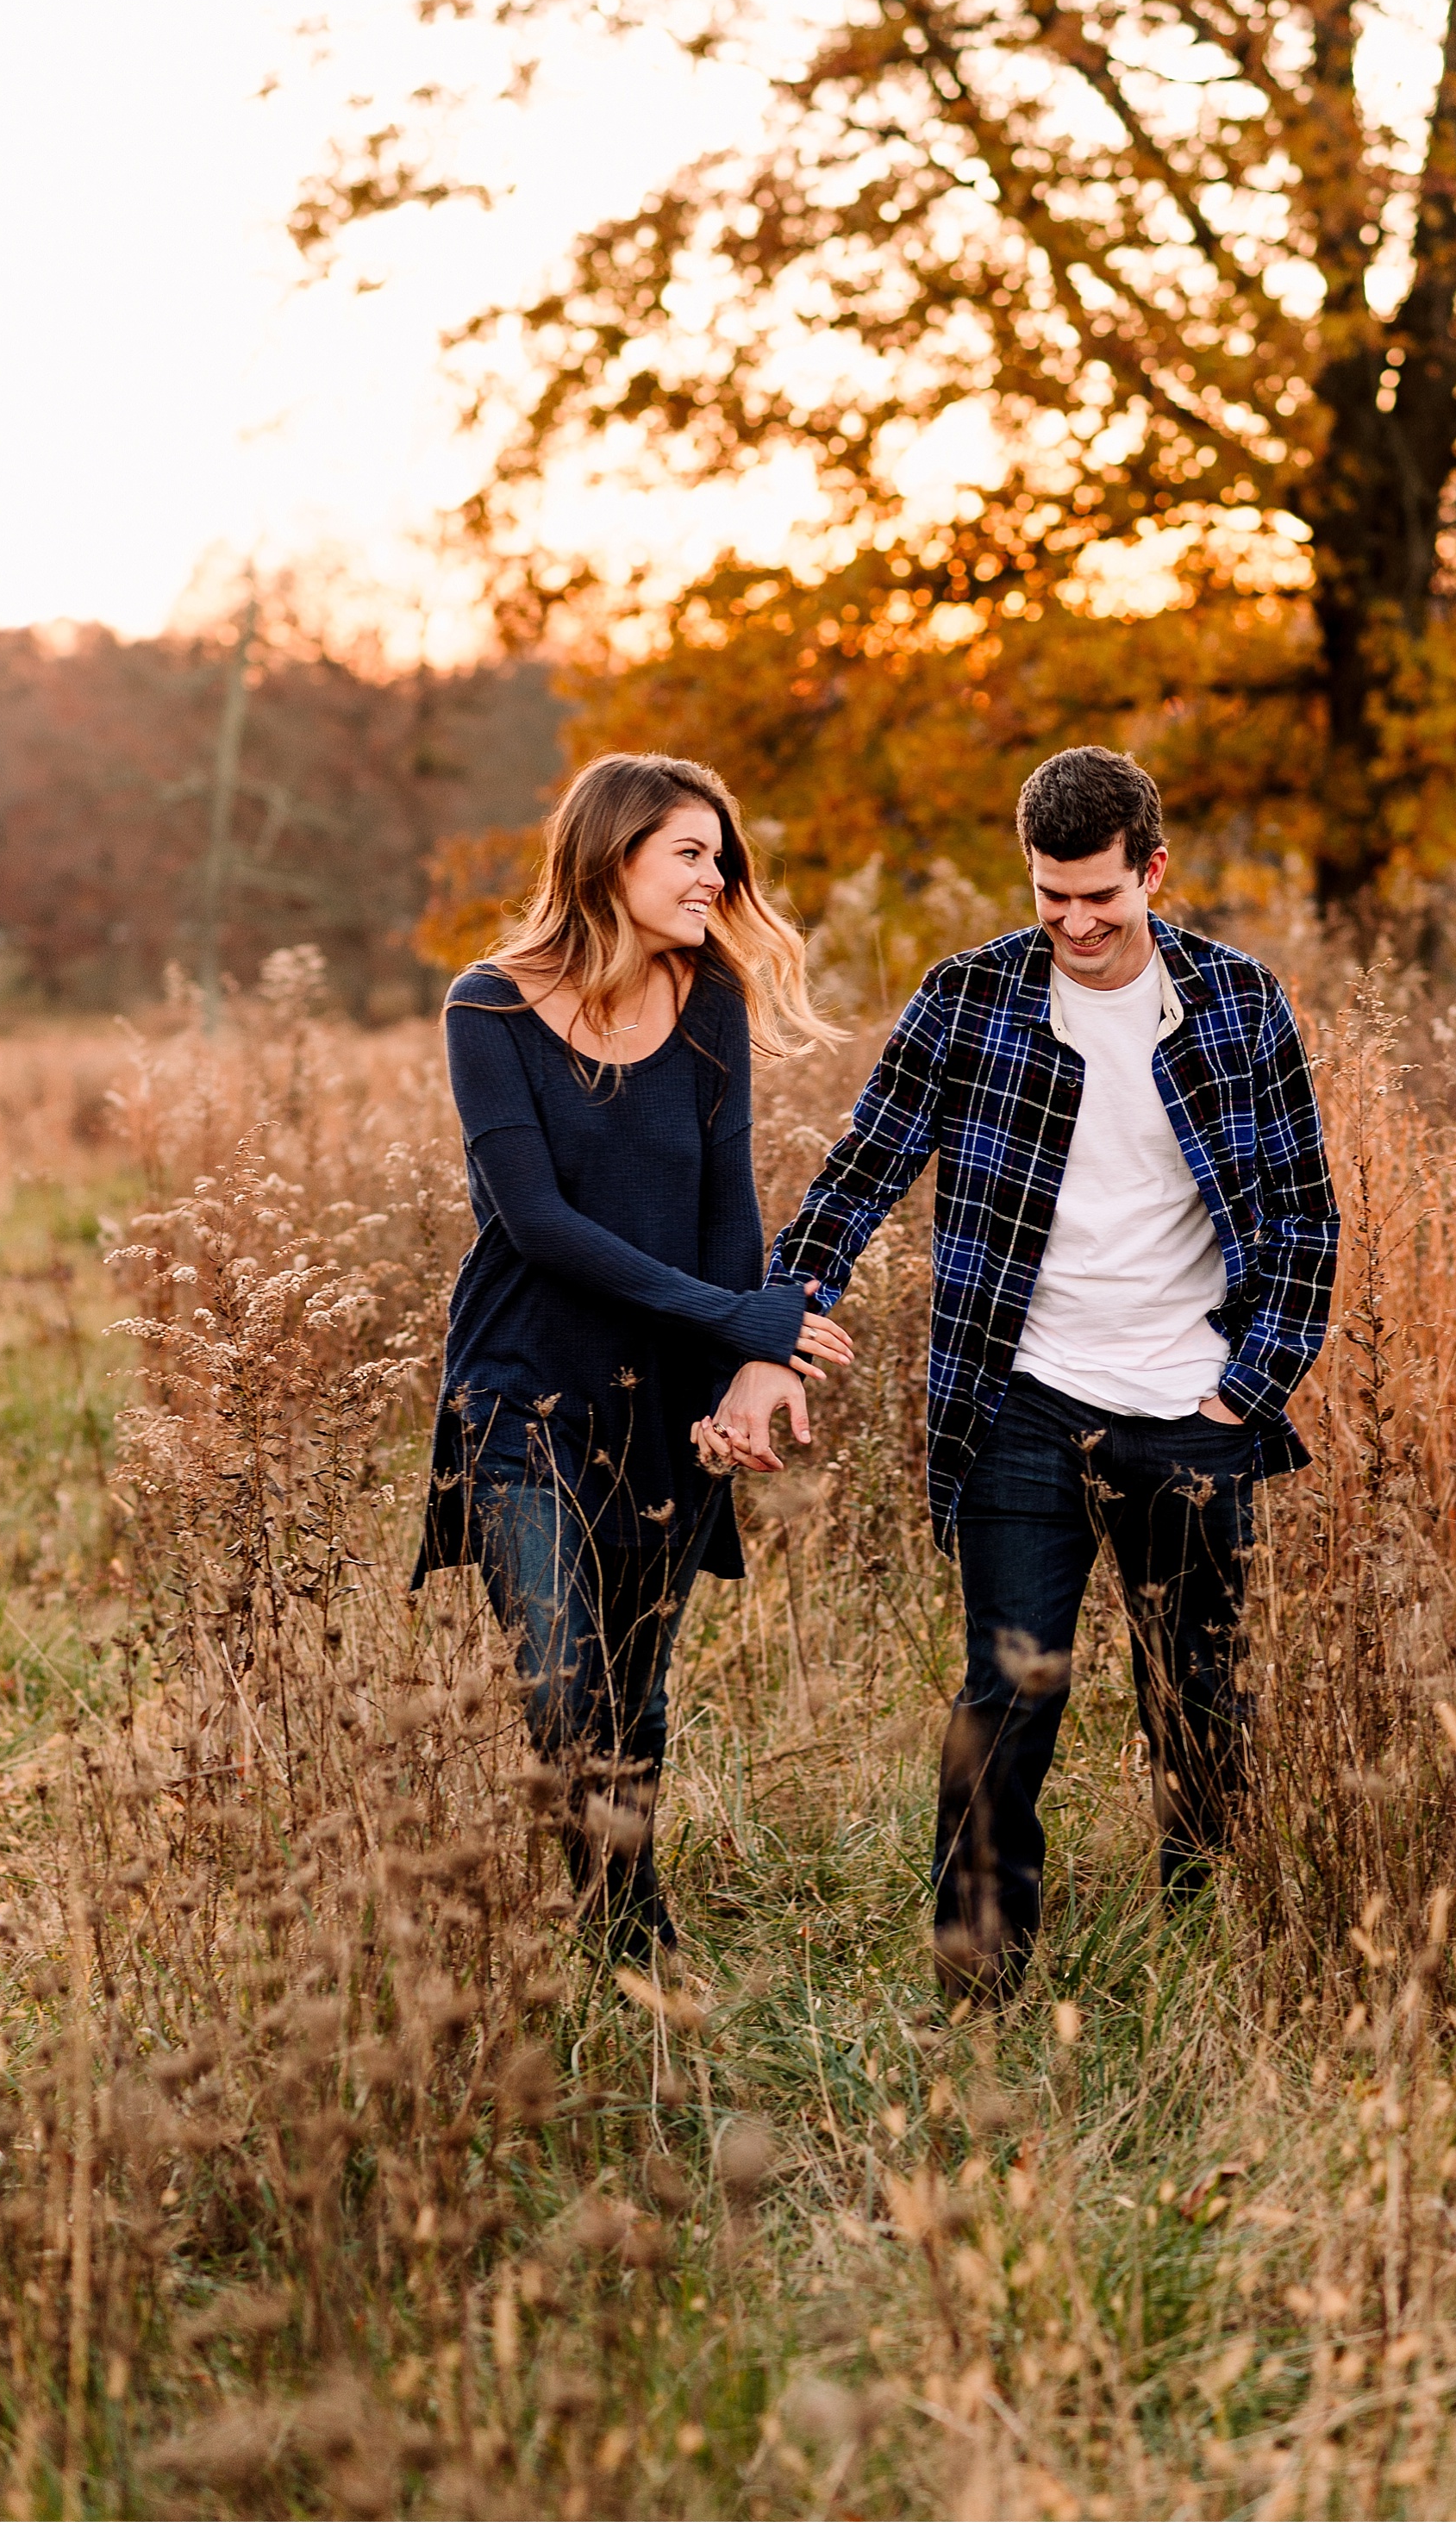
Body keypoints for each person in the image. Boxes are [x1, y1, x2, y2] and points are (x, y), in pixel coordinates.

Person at [700, 747, 1338, 1999]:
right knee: (1008, 1692)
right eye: (1054, 896)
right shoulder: (969, 998)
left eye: (1103, 895)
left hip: (1193, 1410)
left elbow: (1307, 1218)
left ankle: (1201, 1938)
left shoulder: (1240, 1002)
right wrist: (776, 1329)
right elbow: (861, 1171)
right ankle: (978, 1977)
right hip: (1021, 1401)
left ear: (1152, 869)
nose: (1079, 922)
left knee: (1197, 1689)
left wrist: (1245, 1388)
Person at [413, 753, 850, 1958]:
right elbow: (534, 1219)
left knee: (638, 1693)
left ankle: (620, 1923)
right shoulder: (487, 1005)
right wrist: (736, 1317)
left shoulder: (708, 1002)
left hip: (658, 1391)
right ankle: (624, 1918)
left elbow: (727, 1212)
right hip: (522, 1380)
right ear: (611, 856)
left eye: (724, 856)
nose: (719, 877)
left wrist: (733, 1382)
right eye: (690, 853)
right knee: (563, 1681)